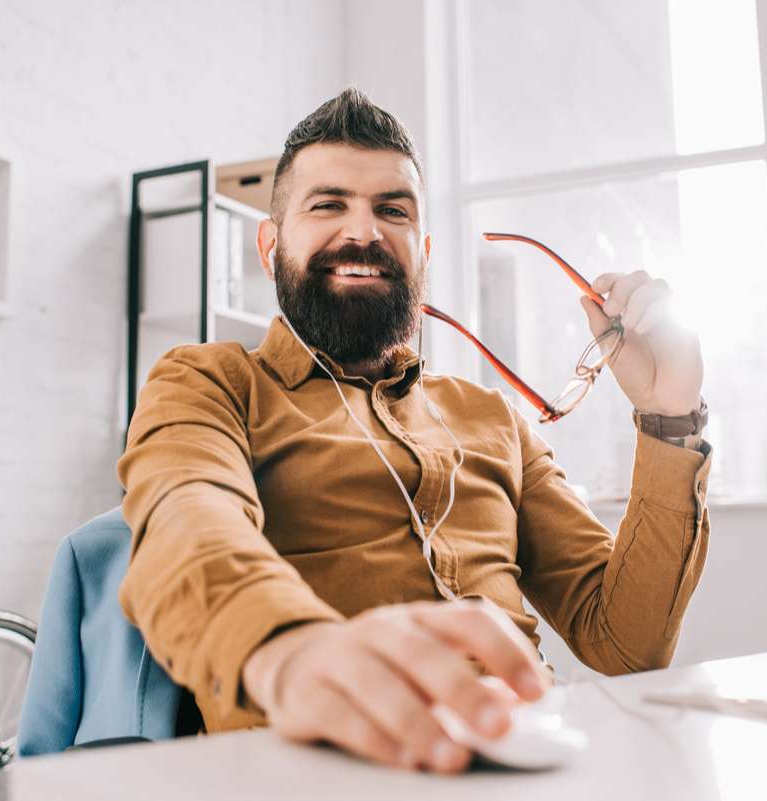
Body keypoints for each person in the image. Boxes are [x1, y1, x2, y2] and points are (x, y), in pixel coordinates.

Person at [118, 88, 712, 774]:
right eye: (328, 204)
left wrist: (671, 418)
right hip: (313, 772)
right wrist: (290, 648)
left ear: (421, 251)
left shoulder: (493, 419)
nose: (364, 232)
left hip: (527, 761)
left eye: (392, 210)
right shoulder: (207, 383)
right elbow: (187, 524)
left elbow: (627, 641)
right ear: (270, 243)